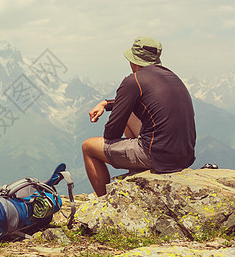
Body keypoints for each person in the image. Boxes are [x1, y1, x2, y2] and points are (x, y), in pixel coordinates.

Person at [82, 36, 196, 197]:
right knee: (131, 115)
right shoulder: (172, 77)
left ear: (133, 61)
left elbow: (111, 134)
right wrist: (106, 104)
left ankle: (102, 202)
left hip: (157, 156)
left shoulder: (133, 80)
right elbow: (145, 101)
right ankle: (137, 169)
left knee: (88, 147)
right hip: (185, 155)